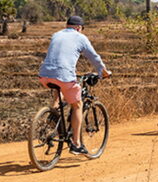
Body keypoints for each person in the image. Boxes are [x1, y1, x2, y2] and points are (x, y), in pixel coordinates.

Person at [38, 15, 111, 156]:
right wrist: (104, 72)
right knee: (77, 105)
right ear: (79, 28)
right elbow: (94, 57)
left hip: (44, 75)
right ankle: (76, 144)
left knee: (58, 90)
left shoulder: (56, 34)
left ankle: (53, 117)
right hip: (64, 75)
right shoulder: (80, 37)